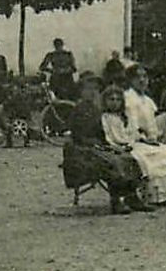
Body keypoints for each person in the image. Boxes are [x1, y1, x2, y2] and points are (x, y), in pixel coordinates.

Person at [63, 77, 149, 214]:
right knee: (113, 162)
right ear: (81, 92)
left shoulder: (99, 110)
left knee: (129, 157)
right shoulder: (78, 110)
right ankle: (115, 201)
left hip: (100, 146)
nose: (92, 92)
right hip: (82, 150)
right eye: (88, 89)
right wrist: (94, 142)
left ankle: (131, 197)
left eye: (95, 89)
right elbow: (76, 135)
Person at [100, 85, 166, 206]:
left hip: (133, 143)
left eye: (118, 100)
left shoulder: (125, 117)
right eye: (111, 100)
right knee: (147, 161)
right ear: (105, 101)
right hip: (121, 147)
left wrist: (144, 140)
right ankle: (152, 197)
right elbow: (108, 137)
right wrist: (117, 146)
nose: (115, 103)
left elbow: (134, 133)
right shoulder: (105, 118)